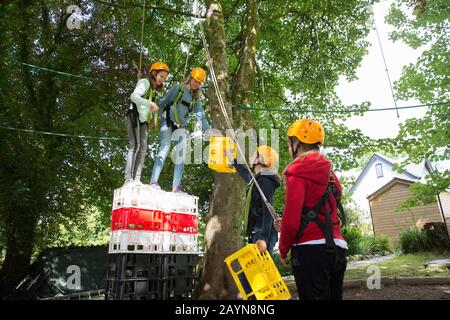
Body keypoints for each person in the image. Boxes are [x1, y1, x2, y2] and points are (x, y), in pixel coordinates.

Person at [278, 119, 348, 300]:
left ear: (297, 143)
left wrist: (283, 248)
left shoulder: (296, 171)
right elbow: (332, 207)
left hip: (310, 251)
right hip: (338, 249)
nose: (289, 146)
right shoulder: (331, 173)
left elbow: (292, 221)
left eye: (290, 142)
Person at [149, 67, 210, 193]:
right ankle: (153, 182)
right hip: (167, 121)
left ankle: (176, 187)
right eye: (195, 80)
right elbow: (162, 102)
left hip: (180, 126)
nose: (196, 84)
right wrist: (152, 119)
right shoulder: (178, 88)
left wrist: (208, 130)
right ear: (190, 78)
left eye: (199, 83)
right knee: (164, 148)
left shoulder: (195, 99)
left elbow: (200, 116)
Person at [124, 61, 169, 186]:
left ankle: (136, 179)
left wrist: (152, 118)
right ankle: (128, 179)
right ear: (154, 73)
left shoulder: (154, 90)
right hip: (133, 115)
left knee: (143, 149)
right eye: (161, 76)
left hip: (143, 120)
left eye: (165, 78)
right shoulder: (145, 82)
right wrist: (149, 104)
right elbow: (134, 96)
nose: (162, 80)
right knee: (135, 146)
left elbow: (149, 106)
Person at [232, 146, 281, 255]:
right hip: (257, 230)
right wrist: (233, 159)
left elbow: (267, 209)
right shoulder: (258, 180)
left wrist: (263, 237)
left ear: (260, 159)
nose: (250, 156)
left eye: (254, 154)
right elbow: (247, 175)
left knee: (256, 271)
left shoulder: (265, 181)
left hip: (262, 231)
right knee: (253, 271)